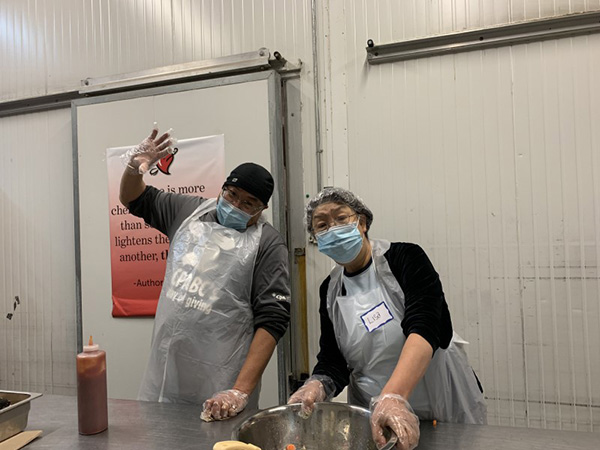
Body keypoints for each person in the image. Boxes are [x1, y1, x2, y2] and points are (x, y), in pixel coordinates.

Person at [288, 187, 486, 450]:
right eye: (322, 225)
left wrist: (394, 396)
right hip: (376, 413)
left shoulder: (405, 258)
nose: (332, 229)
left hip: (439, 401)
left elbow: (425, 326)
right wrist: (317, 385)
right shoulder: (330, 289)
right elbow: (333, 360)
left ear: (362, 221)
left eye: (341, 218)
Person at [119, 125, 291, 421]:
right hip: (164, 371)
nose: (235, 205)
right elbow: (133, 199)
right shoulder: (189, 211)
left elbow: (273, 319)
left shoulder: (268, 244)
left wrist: (239, 391)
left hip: (222, 381)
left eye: (248, 203)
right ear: (223, 188)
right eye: (232, 194)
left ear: (262, 208)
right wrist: (134, 168)